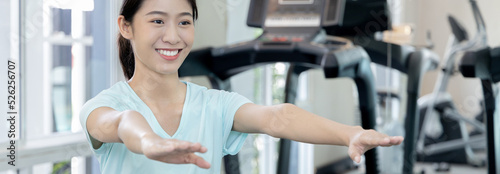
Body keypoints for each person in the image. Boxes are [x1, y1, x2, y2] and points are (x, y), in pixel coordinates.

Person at [79, 0, 404, 173]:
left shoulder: (214, 105)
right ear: (126, 26)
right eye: (157, 21)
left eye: (184, 21)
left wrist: (349, 134)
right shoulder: (104, 106)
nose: (173, 36)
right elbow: (123, 123)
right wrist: (149, 141)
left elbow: (278, 117)